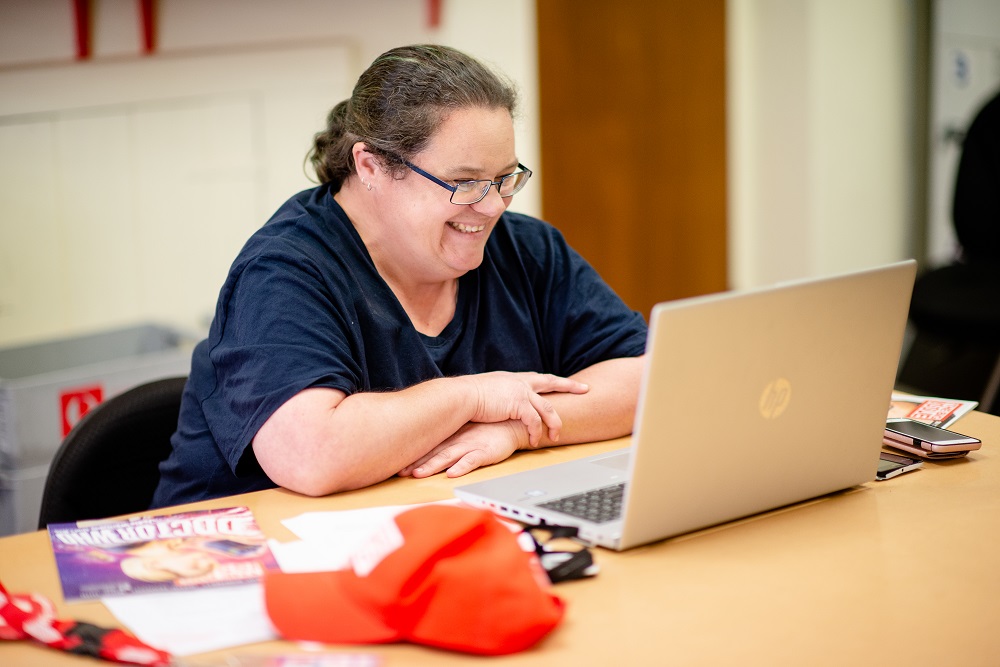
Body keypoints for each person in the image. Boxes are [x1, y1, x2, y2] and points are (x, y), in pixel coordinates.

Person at [151, 44, 648, 508]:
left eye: (505, 178)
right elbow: (312, 455)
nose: (494, 206)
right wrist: (473, 395)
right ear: (370, 165)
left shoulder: (526, 249)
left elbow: (649, 378)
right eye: (465, 182)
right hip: (239, 563)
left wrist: (518, 430)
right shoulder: (284, 273)